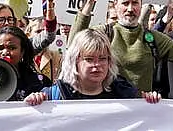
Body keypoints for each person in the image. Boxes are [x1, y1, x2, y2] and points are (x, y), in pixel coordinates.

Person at [24, 29, 161, 104]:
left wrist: (149, 100)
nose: (97, 65)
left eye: (102, 59)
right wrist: (32, 102)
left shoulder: (125, 94)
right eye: (89, 59)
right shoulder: (53, 95)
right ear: (74, 61)